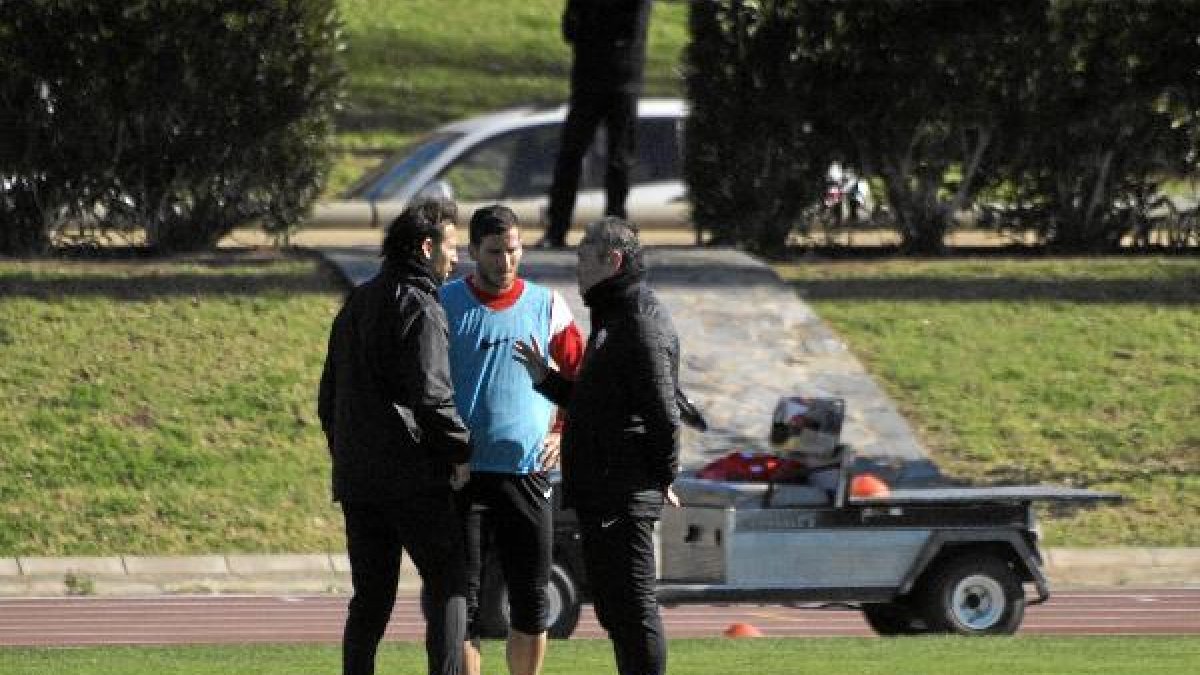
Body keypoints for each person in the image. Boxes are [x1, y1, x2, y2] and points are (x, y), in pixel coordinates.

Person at [514, 216, 681, 675]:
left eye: (584, 258)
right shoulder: (613, 316)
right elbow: (595, 403)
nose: (577, 268)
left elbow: (663, 413)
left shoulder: (639, 321)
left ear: (613, 260)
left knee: (634, 607)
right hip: (603, 489)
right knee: (614, 609)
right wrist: (546, 379)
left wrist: (661, 476)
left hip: (623, 492)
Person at [318, 197, 472, 675]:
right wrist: (461, 450)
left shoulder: (357, 302)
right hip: (412, 477)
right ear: (426, 247)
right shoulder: (421, 306)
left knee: (371, 597)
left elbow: (328, 399)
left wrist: (348, 454)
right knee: (449, 582)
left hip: (359, 480)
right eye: (451, 247)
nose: (456, 258)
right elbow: (432, 396)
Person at [439, 205, 584, 675]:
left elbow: (583, 381)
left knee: (531, 600)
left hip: (527, 474)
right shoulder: (444, 304)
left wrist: (562, 433)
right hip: (463, 476)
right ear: (473, 251)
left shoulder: (548, 306)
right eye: (495, 252)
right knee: (463, 604)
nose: (506, 261)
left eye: (514, 250)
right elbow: (422, 386)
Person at [538, 0, 654, 248]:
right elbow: (570, 29)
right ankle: (557, 228)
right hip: (588, 79)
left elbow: (628, 28)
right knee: (571, 154)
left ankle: (615, 229)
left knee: (619, 159)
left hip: (622, 79)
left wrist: (590, 22)